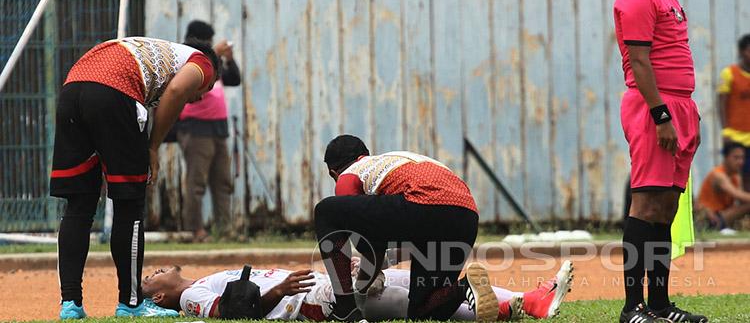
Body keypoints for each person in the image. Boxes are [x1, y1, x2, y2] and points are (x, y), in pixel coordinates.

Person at [50, 36, 219, 319]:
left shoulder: (155, 53)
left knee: (79, 207)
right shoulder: (201, 61)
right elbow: (177, 90)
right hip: (114, 92)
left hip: (73, 89)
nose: (201, 96)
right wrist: (152, 147)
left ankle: (70, 305)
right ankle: (130, 304)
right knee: (129, 205)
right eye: (208, 88)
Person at [613, 0, 707, 323]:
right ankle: (632, 307)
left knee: (666, 208)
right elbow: (640, 61)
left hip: (678, 108)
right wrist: (661, 115)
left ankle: (660, 305)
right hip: (656, 109)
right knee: (646, 204)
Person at [314, 135, 496, 322]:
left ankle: (345, 310)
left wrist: (359, 294)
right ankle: (465, 287)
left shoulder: (349, 175)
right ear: (366, 154)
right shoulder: (390, 161)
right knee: (423, 312)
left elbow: (370, 248)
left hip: (423, 203)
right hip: (466, 214)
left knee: (326, 211)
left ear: (333, 173)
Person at [140, 258, 574, 321]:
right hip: (317, 302)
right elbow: (238, 313)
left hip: (322, 286)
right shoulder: (190, 297)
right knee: (415, 301)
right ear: (159, 296)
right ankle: (513, 306)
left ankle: (525, 300)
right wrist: (281, 291)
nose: (153, 272)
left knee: (411, 280)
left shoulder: (195, 283)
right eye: (148, 280)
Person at [176, 20, 242, 242]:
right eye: (208, 41)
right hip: (196, 128)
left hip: (217, 128)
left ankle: (224, 229)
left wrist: (229, 58)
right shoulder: (187, 58)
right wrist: (214, 52)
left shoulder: (210, 62)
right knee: (197, 183)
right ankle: (196, 230)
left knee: (222, 182)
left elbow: (234, 79)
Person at [717, 34, 750, 191]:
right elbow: (721, 102)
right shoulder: (729, 73)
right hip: (736, 135)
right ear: (742, 52)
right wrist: (726, 130)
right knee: (736, 176)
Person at [697, 142, 750, 232]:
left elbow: (741, 200)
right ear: (726, 157)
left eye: (742, 158)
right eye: (736, 157)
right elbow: (737, 194)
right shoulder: (718, 175)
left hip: (725, 216)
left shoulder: (736, 176)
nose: (740, 161)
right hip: (710, 219)